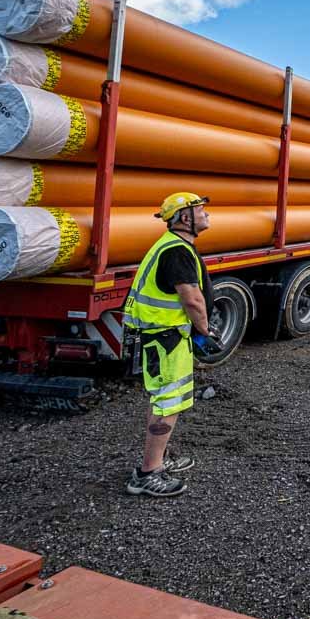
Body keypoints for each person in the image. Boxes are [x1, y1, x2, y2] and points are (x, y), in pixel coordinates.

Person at [123, 191, 215, 497]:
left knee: (165, 400)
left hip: (167, 337)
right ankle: (148, 473)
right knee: (167, 404)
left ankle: (158, 461)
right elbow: (192, 298)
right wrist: (205, 330)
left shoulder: (173, 246)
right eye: (201, 210)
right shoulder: (177, 251)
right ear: (185, 217)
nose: (207, 215)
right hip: (166, 339)